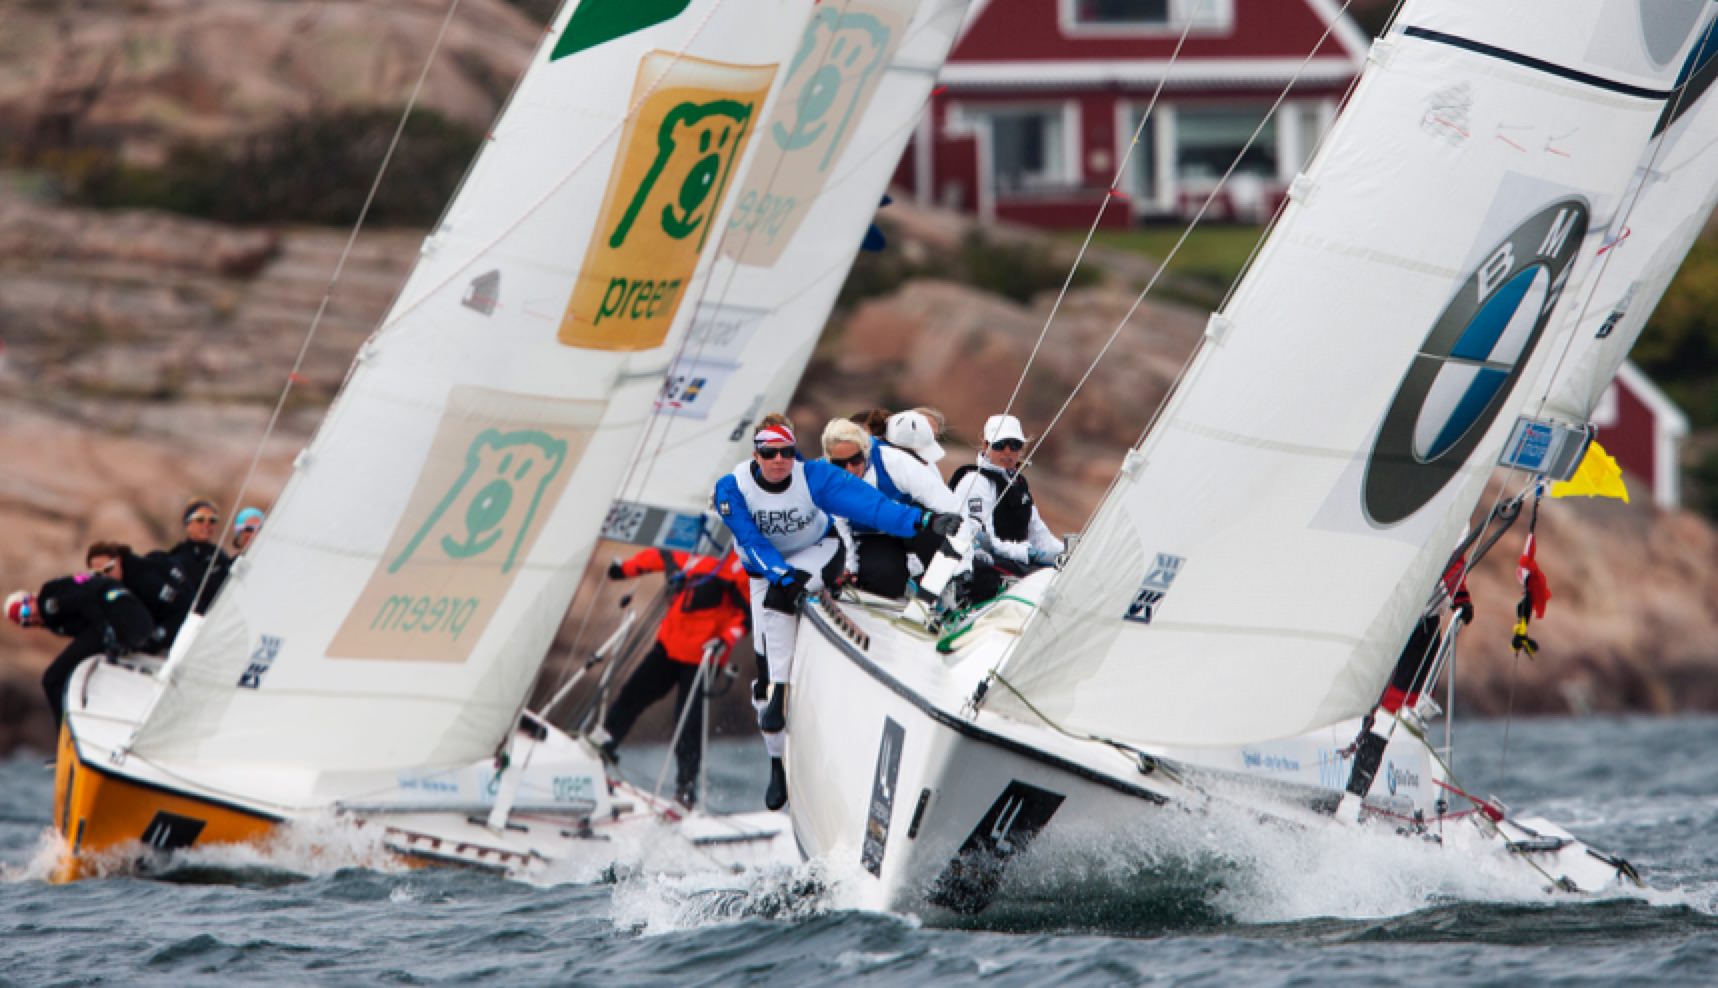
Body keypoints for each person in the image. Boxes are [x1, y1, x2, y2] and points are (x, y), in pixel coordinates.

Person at [713, 414, 961, 810]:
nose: (779, 461)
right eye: (769, 453)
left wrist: (925, 521)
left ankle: (781, 693)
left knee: (783, 599)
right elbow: (750, 540)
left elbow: (872, 507)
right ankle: (776, 760)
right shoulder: (731, 488)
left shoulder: (812, 476)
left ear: (796, 452)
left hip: (818, 553)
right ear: (756, 454)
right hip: (763, 569)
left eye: (787, 453)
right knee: (764, 676)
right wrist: (780, 574)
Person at [593, 546, 750, 809]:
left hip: (702, 657)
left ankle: (686, 790)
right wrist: (623, 570)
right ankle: (600, 754)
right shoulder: (694, 552)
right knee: (631, 695)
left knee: (688, 722)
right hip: (668, 647)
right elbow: (658, 556)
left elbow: (749, 615)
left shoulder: (739, 566)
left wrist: (727, 639)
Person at [827, 411, 965, 599]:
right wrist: (849, 569)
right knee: (886, 578)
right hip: (873, 535)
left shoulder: (893, 461)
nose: (850, 469)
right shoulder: (828, 480)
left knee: (938, 527)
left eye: (855, 460)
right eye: (840, 464)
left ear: (865, 451)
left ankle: (946, 588)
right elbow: (841, 530)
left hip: (913, 525)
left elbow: (952, 508)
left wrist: (965, 566)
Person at [6, 568, 156, 727]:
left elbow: (86, 598)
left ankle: (65, 732)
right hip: (132, 623)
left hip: (122, 620)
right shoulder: (54, 622)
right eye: (25, 623)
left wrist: (106, 630)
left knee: (51, 679)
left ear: (30, 598)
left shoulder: (48, 601)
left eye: (25, 610)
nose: (29, 619)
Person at [950, 414, 1065, 604]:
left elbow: (1039, 535)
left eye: (1014, 445)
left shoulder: (1018, 483)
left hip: (1017, 561)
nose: (1007, 452)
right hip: (987, 564)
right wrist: (1027, 553)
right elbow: (981, 541)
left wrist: (1066, 553)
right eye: (999, 445)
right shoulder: (975, 481)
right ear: (986, 445)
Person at [84, 541, 187, 655]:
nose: (104, 576)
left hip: (176, 637)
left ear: (118, 561)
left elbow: (182, 607)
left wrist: (154, 639)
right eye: (97, 574)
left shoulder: (146, 581)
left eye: (108, 569)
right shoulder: (109, 587)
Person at [167, 498, 234, 617]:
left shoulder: (219, 555)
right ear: (188, 524)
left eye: (212, 520)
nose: (206, 524)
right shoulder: (177, 556)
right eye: (200, 519)